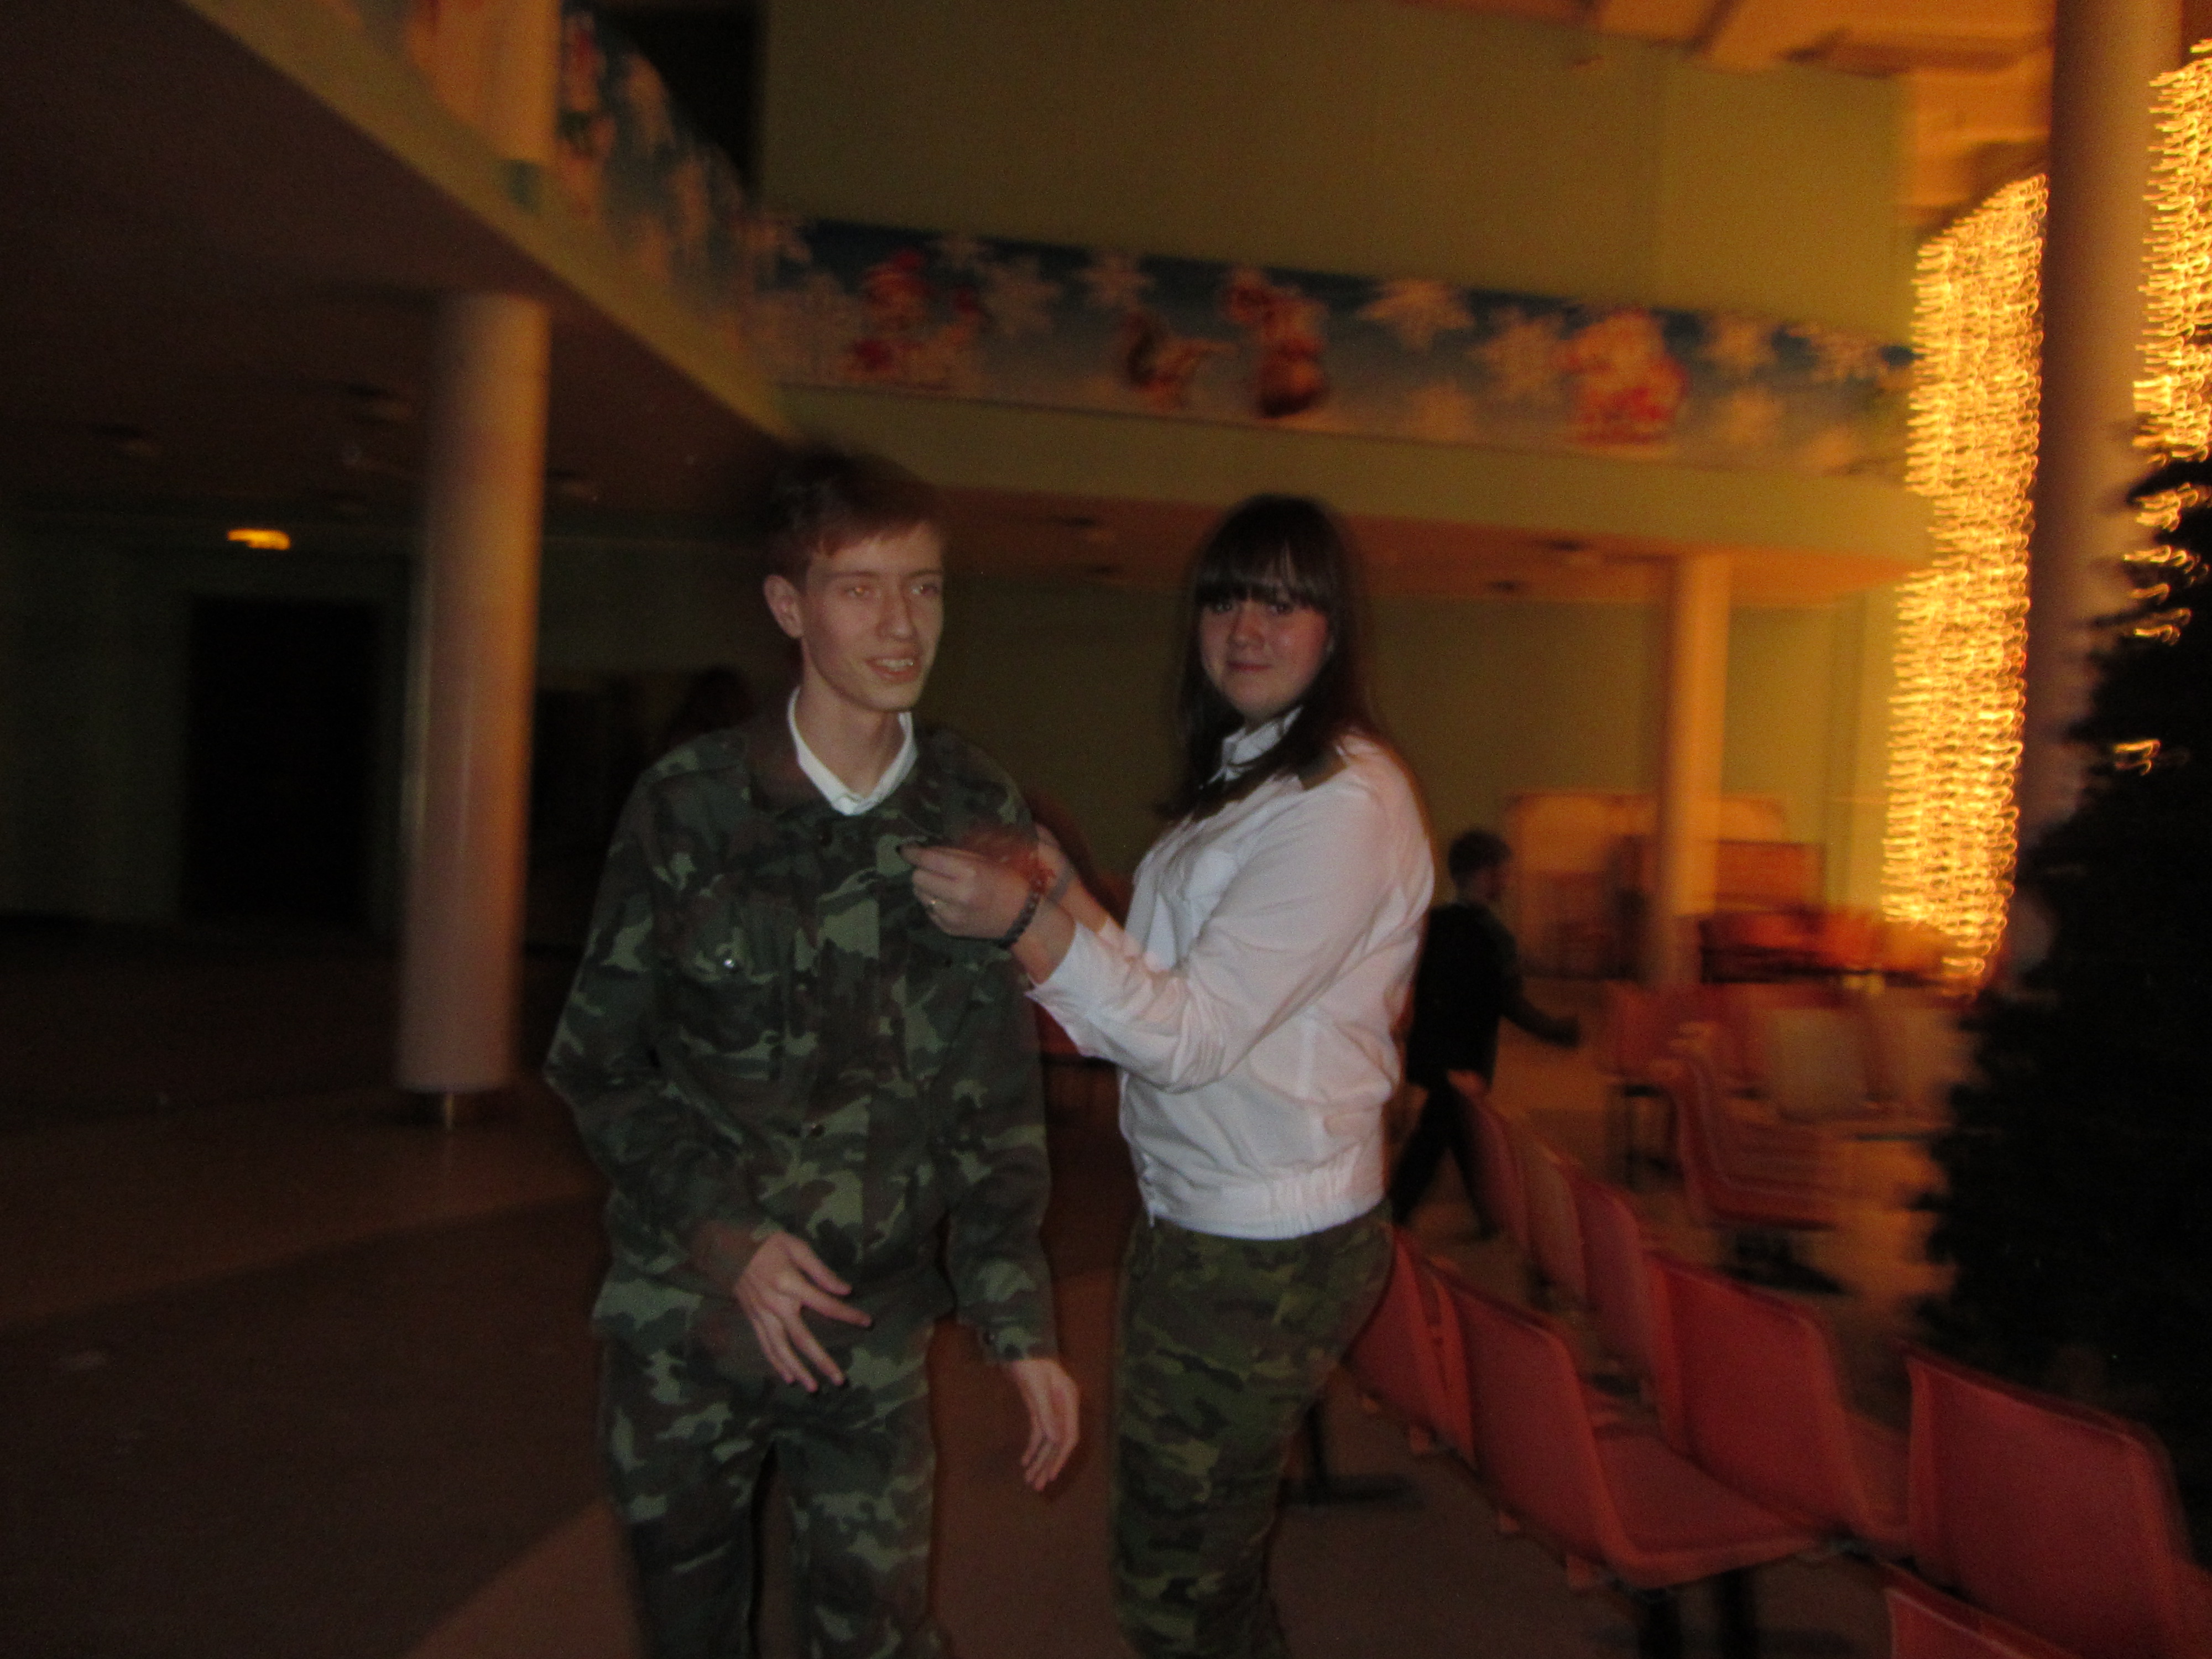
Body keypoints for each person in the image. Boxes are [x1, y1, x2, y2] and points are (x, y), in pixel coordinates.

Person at [545, 444, 1080, 1659]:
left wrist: (1018, 1323)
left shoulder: (972, 807)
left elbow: (996, 1094)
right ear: (789, 606)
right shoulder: (689, 807)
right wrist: (728, 1238)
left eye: (924, 587)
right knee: (690, 1636)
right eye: (860, 588)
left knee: (878, 1635)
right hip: (686, 1326)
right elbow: (597, 1064)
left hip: (868, 1325)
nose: (901, 625)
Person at [905, 495, 1433, 1659]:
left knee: (1176, 1587)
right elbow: (1151, 991)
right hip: (1203, 1220)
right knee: (1192, 1555)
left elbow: (1185, 1037)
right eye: (1227, 597)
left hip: (1264, 1247)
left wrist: (1025, 926)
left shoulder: (1342, 804)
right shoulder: (1251, 776)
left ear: (1333, 629)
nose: (1248, 626)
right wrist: (1058, 890)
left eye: (1283, 602)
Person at [1386, 828, 1581, 1228]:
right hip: (1467, 1061)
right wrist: (1558, 1031)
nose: (1507, 881)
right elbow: (1511, 1004)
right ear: (1482, 874)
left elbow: (1411, 985)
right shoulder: (1493, 937)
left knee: (1461, 1133)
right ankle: (1391, 1219)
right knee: (1433, 1140)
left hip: (1433, 1052)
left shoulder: (1433, 925)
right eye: (1503, 873)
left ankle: (1489, 1215)